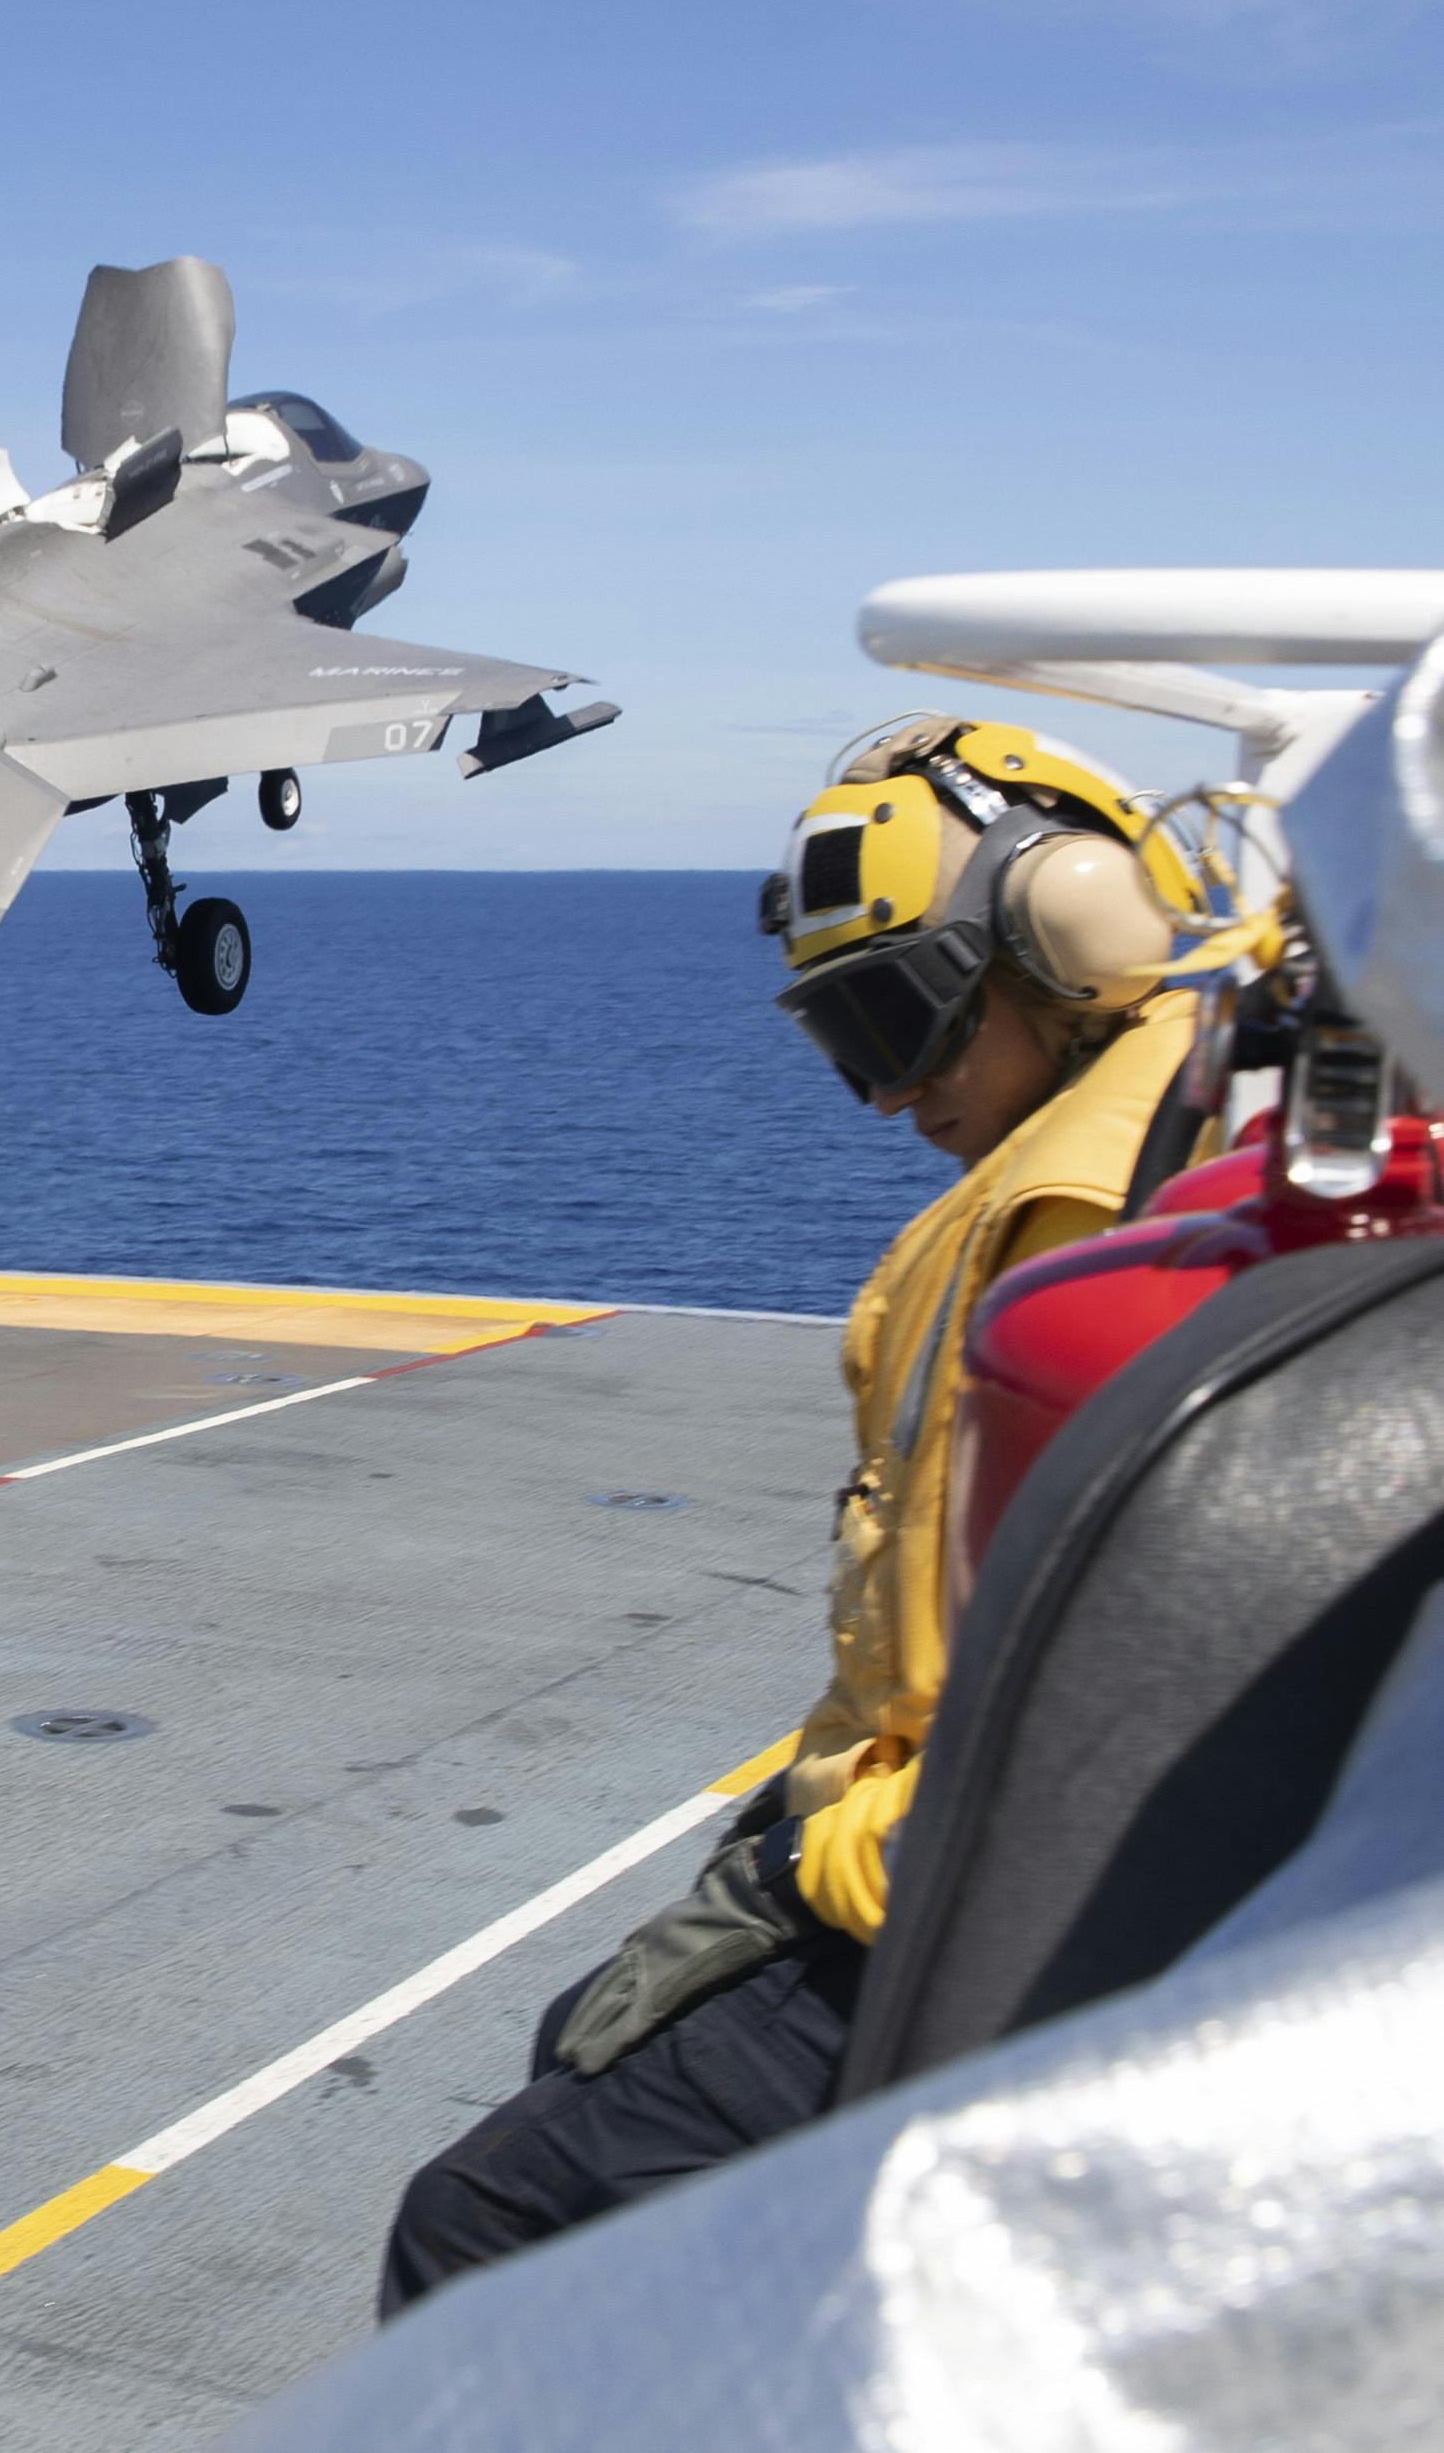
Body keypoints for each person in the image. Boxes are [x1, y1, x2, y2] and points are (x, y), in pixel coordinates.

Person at [374, 713, 1204, 2315]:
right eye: (846, 1042)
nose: (887, 1095)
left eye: (899, 1021)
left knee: (486, 2230)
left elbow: (1071, 1734)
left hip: (967, 1897)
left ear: (1063, 935)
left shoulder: (1077, 1232)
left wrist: (793, 1876)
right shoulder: (1179, 1117)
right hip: (968, 1856)